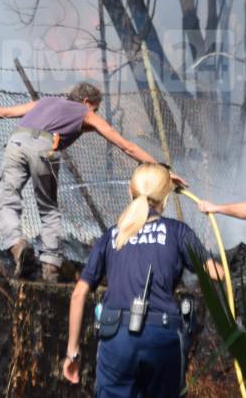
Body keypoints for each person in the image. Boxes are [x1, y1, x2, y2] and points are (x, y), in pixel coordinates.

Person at [0, 82, 181, 282]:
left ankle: (17, 246)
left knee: (7, 201)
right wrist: (162, 171)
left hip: (15, 143)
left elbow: (2, 111)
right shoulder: (85, 113)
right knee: (49, 209)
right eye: (95, 109)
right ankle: (50, 266)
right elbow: (125, 146)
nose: (94, 115)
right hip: (44, 148)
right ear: (87, 102)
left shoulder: (45, 102)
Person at [62, 163, 224, 397]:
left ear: (130, 191)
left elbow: (78, 294)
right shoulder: (178, 231)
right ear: (166, 199)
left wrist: (72, 354)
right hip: (162, 337)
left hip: (116, 337)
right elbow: (215, 273)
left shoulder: (112, 235)